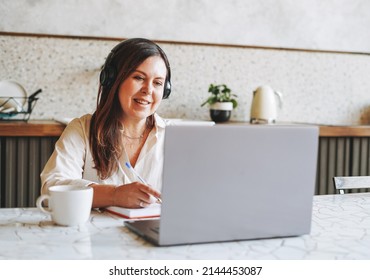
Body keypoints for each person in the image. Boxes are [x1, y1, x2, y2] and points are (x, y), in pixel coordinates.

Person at [40, 38, 172, 209]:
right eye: (139, 77)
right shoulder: (82, 129)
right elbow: (52, 189)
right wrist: (114, 195)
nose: (148, 89)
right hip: (92, 235)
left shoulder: (175, 136)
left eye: (158, 83)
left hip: (153, 234)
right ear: (112, 80)